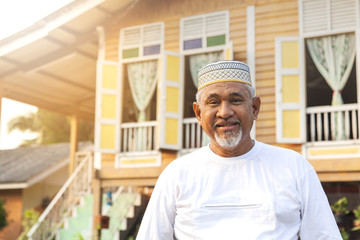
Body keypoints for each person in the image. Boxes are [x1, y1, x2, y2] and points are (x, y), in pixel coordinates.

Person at [136, 61, 341, 239]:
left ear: (254, 108)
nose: (225, 112)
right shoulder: (176, 174)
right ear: (198, 113)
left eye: (235, 100)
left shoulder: (294, 167)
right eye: (213, 102)